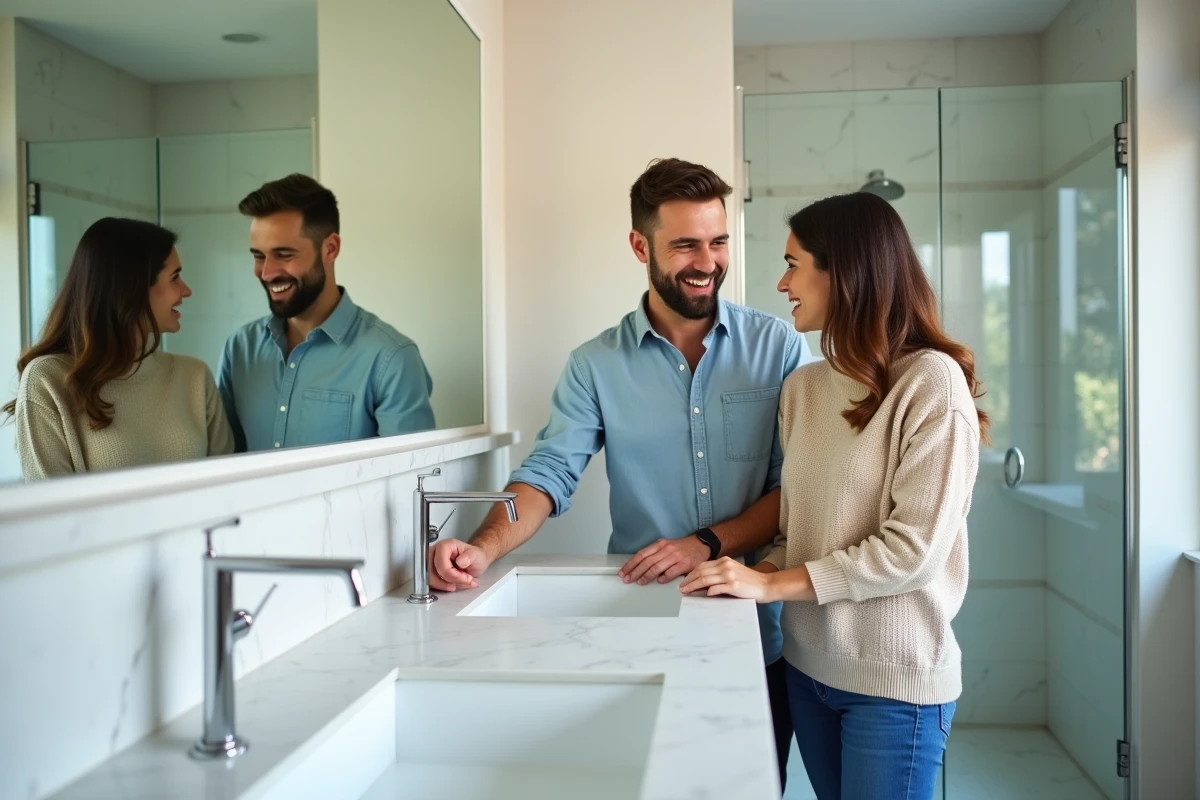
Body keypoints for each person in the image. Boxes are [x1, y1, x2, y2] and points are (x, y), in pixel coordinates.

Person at [427, 157, 813, 790]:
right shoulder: (594, 365)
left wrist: (706, 544)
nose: (707, 260)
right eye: (685, 243)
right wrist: (482, 546)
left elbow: (796, 490)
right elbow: (550, 472)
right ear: (641, 245)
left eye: (717, 241)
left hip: (757, 630)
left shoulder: (780, 347)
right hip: (640, 623)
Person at [681, 192, 987, 799]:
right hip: (808, 669)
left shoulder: (929, 382)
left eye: (794, 264)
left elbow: (913, 552)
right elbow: (799, 532)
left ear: (844, 271)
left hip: (893, 684)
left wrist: (768, 586)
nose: (781, 281)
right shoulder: (803, 388)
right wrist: (736, 581)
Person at [218, 174, 435, 452]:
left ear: (330, 248)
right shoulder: (239, 349)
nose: (266, 272)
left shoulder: (391, 359)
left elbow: (408, 478)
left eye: (284, 255)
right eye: (258, 256)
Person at [5, 218, 234, 480]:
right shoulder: (47, 380)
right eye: (175, 277)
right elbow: (50, 512)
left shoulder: (194, 376)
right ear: (131, 287)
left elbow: (227, 491)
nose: (186, 290)